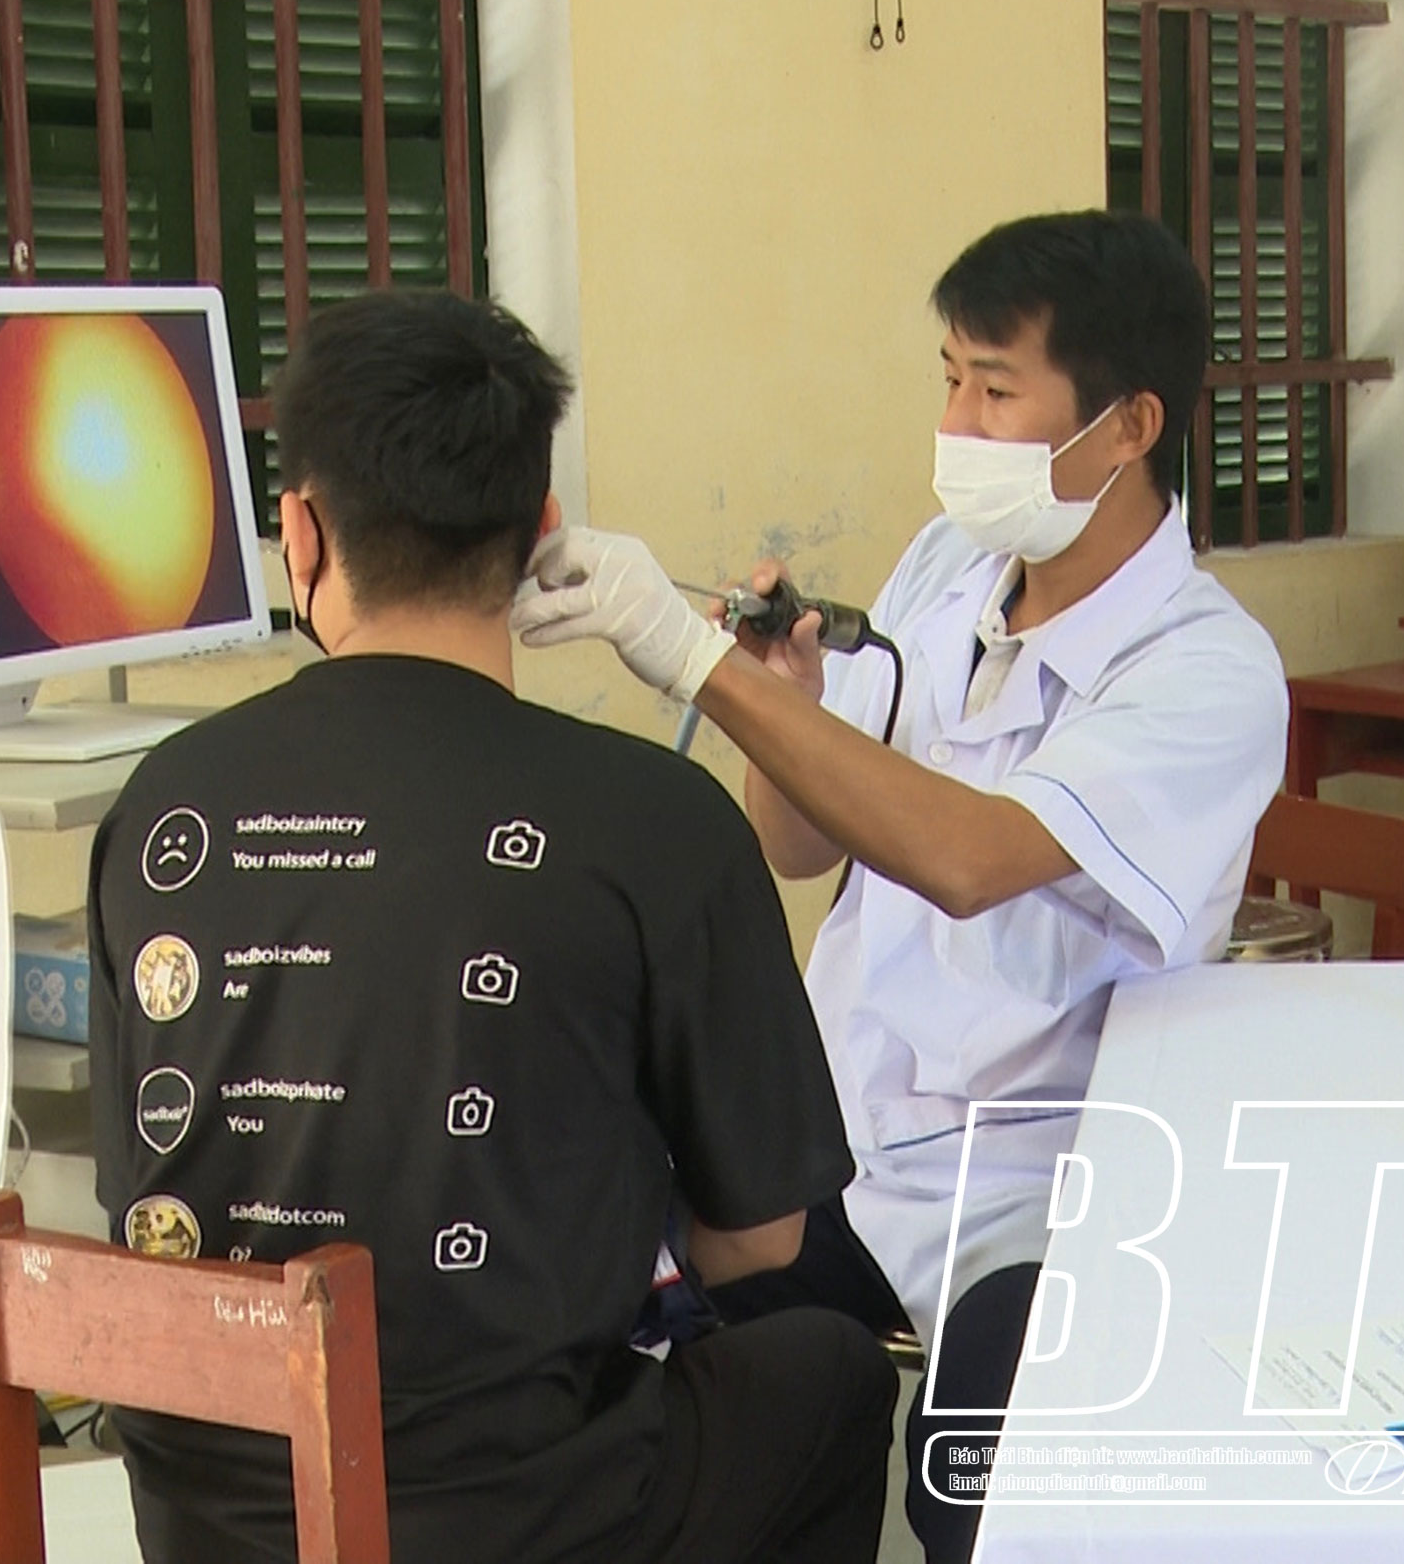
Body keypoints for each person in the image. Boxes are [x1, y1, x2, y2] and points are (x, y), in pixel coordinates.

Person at [511, 210, 1288, 1562]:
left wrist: (694, 662)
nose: (957, 423)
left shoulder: (1205, 669)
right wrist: (790, 700)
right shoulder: (947, 568)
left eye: (996, 390)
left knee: (974, 1489)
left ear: (1129, 424)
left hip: (1038, 1189)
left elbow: (968, 856)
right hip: (847, 1139)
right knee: (637, 1381)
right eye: (949, 379)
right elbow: (805, 844)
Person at [89, 290, 895, 1564]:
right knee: (830, 1370)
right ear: (543, 536)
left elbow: (140, 1193)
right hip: (520, 1518)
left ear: (301, 531)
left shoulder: (160, 803)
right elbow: (761, 1237)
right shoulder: (657, 815)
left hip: (207, 1519)